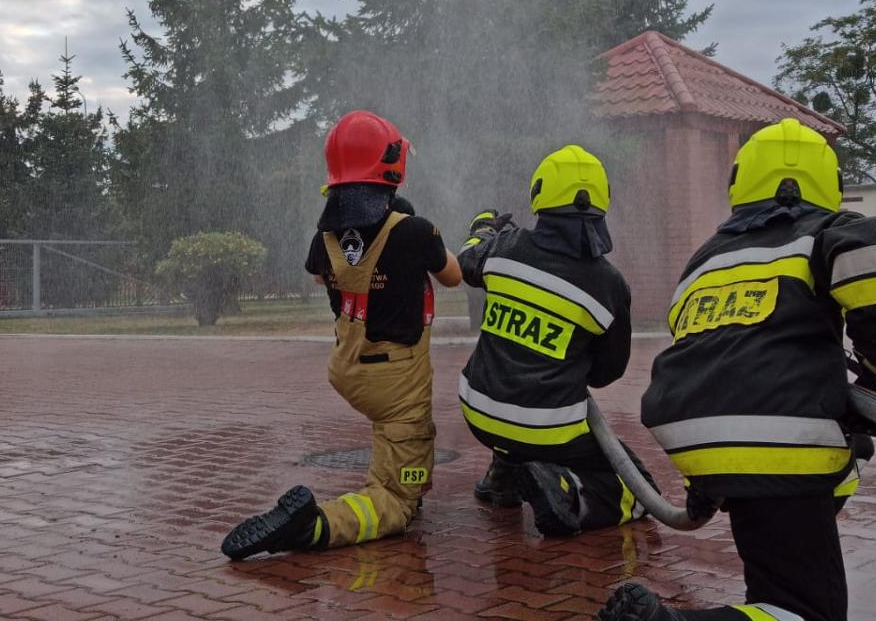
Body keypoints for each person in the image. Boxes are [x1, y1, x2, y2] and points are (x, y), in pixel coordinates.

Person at [599, 119, 876, 621]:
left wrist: (705, 476)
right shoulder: (827, 231)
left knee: (837, 470)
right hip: (778, 436)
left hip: (691, 433)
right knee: (807, 612)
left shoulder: (706, 258)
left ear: (740, 182)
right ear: (829, 183)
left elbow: (704, 345)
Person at [221, 109, 462, 559]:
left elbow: (323, 276)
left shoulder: (324, 239)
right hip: (396, 380)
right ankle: (316, 526)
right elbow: (453, 276)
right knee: (396, 500)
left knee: (396, 434)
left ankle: (407, 476)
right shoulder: (415, 232)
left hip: (349, 369)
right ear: (391, 167)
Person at [455, 145, 649, 536]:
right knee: (638, 487)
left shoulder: (504, 247)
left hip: (478, 410)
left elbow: (466, 261)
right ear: (602, 200)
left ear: (540, 193)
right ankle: (567, 492)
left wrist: (483, 229)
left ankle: (502, 477)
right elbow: (606, 374)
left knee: (514, 380)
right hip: (545, 430)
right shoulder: (609, 284)